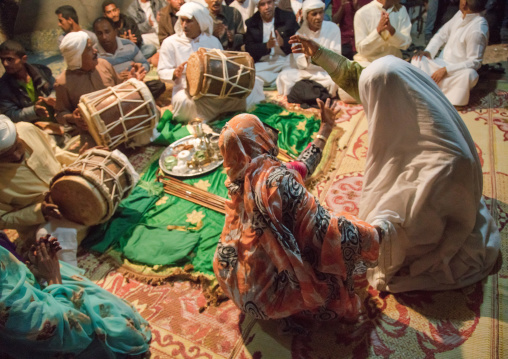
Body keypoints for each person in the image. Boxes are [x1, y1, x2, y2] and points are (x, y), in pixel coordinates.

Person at [289, 35, 501, 292]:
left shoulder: (444, 164)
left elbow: (417, 231)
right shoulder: (412, 101)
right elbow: (359, 78)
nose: (369, 106)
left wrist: (376, 233)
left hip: (440, 225)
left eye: (372, 100)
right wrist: (320, 53)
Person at [213, 100, 380, 321]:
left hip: (230, 280)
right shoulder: (278, 183)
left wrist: (325, 129)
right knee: (326, 259)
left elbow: (303, 166)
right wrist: (372, 234)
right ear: (259, 138)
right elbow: (326, 230)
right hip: (265, 299)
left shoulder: (236, 178)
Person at [0, 235, 151, 358]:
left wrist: (31, 274)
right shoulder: (9, 304)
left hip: (32, 308)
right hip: (60, 337)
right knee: (121, 328)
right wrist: (53, 276)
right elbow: (68, 330)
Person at [0, 115, 87, 266]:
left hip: (73, 188)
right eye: (5, 157)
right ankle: (70, 283)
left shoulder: (26, 129)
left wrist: (83, 160)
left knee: (116, 160)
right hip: (48, 220)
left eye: (17, 146)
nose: (17, 155)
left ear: (18, 135)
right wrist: (40, 211)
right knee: (50, 239)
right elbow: (2, 219)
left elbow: (55, 151)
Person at [158, 2, 264, 122]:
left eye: (189, 21)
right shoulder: (170, 43)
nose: (184, 25)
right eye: (182, 20)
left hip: (214, 89)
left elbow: (223, 68)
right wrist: (174, 73)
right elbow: (162, 71)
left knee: (253, 86)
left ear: (200, 22)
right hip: (186, 90)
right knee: (183, 102)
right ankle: (219, 115)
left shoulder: (212, 41)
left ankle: (218, 115)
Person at [411, 0, 489, 106]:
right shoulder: (460, 14)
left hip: (456, 72)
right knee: (417, 60)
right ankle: (437, 91)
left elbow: (474, 62)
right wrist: (429, 51)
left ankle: (429, 91)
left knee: (470, 75)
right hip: (439, 64)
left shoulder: (477, 29)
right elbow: (441, 35)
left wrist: (447, 70)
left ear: (464, 4)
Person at [54, 31, 122, 139]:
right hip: (91, 133)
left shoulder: (104, 65)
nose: (95, 51)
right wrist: (73, 118)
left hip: (120, 121)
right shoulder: (63, 82)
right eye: (89, 49)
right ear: (77, 57)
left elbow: (121, 88)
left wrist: (133, 81)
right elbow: (60, 114)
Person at [276, 0, 342, 97]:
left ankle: (306, 91)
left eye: (321, 12)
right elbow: (300, 64)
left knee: (335, 80)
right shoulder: (299, 34)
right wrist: (307, 56)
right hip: (306, 73)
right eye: (314, 14)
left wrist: (317, 53)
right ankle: (314, 91)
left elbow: (336, 59)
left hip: (325, 73)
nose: (319, 17)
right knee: (284, 76)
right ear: (307, 16)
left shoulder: (333, 28)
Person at [244, 0, 299, 87]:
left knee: (292, 73)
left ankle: (277, 80)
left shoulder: (288, 17)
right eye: (263, 4)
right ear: (258, 7)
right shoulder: (252, 23)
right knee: (249, 75)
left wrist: (283, 43)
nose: (267, 7)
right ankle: (277, 80)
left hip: (284, 61)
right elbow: (249, 49)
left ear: (274, 3)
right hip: (263, 64)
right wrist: (266, 46)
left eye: (269, 2)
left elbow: (298, 41)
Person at [0, 40, 55, 124]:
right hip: (33, 129)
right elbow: (10, 114)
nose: (5, 64)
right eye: (2, 59)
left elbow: (56, 88)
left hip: (58, 121)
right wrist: (33, 111)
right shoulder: (3, 87)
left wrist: (52, 98)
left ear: (24, 59)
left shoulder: (42, 72)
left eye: (9, 59)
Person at [353, 0, 411, 66]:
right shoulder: (362, 13)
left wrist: (392, 31)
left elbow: (406, 44)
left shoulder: (401, 10)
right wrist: (378, 31)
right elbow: (362, 50)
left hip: (393, 64)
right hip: (368, 63)